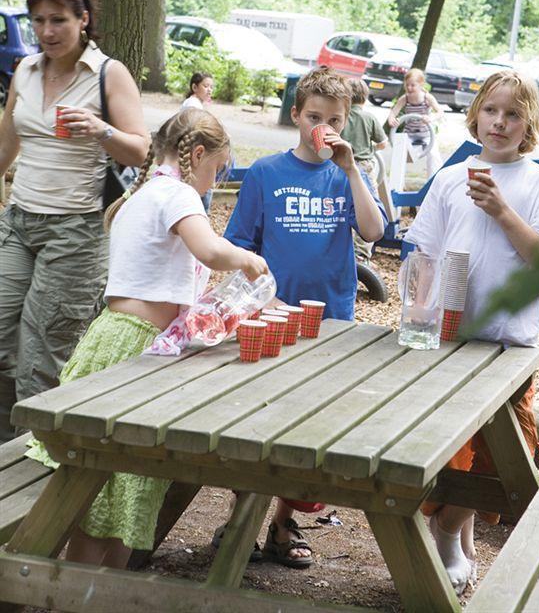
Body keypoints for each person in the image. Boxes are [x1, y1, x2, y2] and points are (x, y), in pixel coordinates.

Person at [26, 108, 268, 569]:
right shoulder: (177, 194)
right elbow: (212, 251)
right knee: (114, 476)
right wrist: (248, 259)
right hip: (136, 347)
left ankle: (96, 588)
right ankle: (87, 591)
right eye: (217, 170)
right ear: (197, 155)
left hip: (114, 338)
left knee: (110, 477)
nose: (214, 181)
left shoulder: (142, 194)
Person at [403, 69, 539, 595]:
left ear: (529, 125)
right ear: (476, 115)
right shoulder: (451, 178)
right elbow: (423, 256)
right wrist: (416, 314)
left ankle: (449, 528)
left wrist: (501, 210)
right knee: (448, 449)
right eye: (492, 111)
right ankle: (452, 536)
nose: (500, 122)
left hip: (509, 344)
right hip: (450, 341)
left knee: (506, 458)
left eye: (513, 114)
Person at [220, 67, 386, 568]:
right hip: (272, 318)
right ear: (296, 115)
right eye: (314, 116)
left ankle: (282, 523)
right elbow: (237, 245)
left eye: (334, 119)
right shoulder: (267, 173)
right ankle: (239, 517)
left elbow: (375, 231)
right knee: (255, 417)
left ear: (347, 120)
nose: (323, 127)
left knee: (312, 424)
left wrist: (353, 169)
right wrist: (251, 298)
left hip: (331, 319)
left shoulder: (347, 175)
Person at [0, 0, 150, 444]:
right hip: (19, 223)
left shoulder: (108, 73)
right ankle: (11, 446)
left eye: (59, 20)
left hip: (75, 232)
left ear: (83, 19)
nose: (47, 31)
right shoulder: (24, 70)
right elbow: (5, 149)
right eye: (39, 20)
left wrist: (101, 130)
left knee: (42, 354)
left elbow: (141, 151)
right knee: (3, 337)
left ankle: (38, 468)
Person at [341, 77, 388, 263]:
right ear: (365, 98)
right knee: (368, 208)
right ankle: (361, 255)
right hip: (364, 166)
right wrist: (370, 149)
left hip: (341, 164)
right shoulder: (369, 118)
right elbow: (383, 143)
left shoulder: (342, 116)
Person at [387, 68, 442, 178]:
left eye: (413, 85)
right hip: (409, 135)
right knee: (399, 153)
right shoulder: (405, 98)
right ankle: (396, 181)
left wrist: (431, 117)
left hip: (426, 134)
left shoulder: (427, 98)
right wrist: (391, 119)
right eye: (407, 85)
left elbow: (440, 112)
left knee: (433, 155)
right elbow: (393, 112)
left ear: (421, 84)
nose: (409, 88)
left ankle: (433, 180)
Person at [181, 72, 215, 211]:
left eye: (211, 87)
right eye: (206, 86)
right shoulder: (192, 105)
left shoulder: (195, 103)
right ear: (195, 87)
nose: (209, 90)